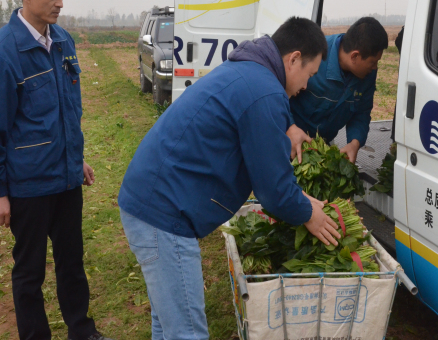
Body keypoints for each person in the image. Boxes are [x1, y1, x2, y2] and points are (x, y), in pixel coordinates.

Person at [118, 17, 341, 339]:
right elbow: (274, 191)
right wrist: (308, 214)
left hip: (153, 200)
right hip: (162, 214)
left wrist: (299, 194)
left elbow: (262, 162)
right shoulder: (263, 90)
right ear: (293, 59)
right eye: (309, 74)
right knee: (186, 333)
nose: (307, 85)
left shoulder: (249, 73)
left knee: (168, 324)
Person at [0, 0, 111, 340]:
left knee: (72, 263)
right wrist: (1, 192)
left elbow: (67, 111)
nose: (61, 2)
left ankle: (82, 331)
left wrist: (76, 161)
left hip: (66, 180)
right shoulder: (6, 51)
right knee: (29, 272)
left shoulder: (63, 40)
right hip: (28, 186)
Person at [287, 17, 388, 163]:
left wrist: (354, 143)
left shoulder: (367, 75)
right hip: (288, 141)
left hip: (320, 148)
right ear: (355, 56)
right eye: (372, 62)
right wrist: (289, 126)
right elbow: (279, 94)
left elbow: (361, 112)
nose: (375, 67)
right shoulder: (314, 54)